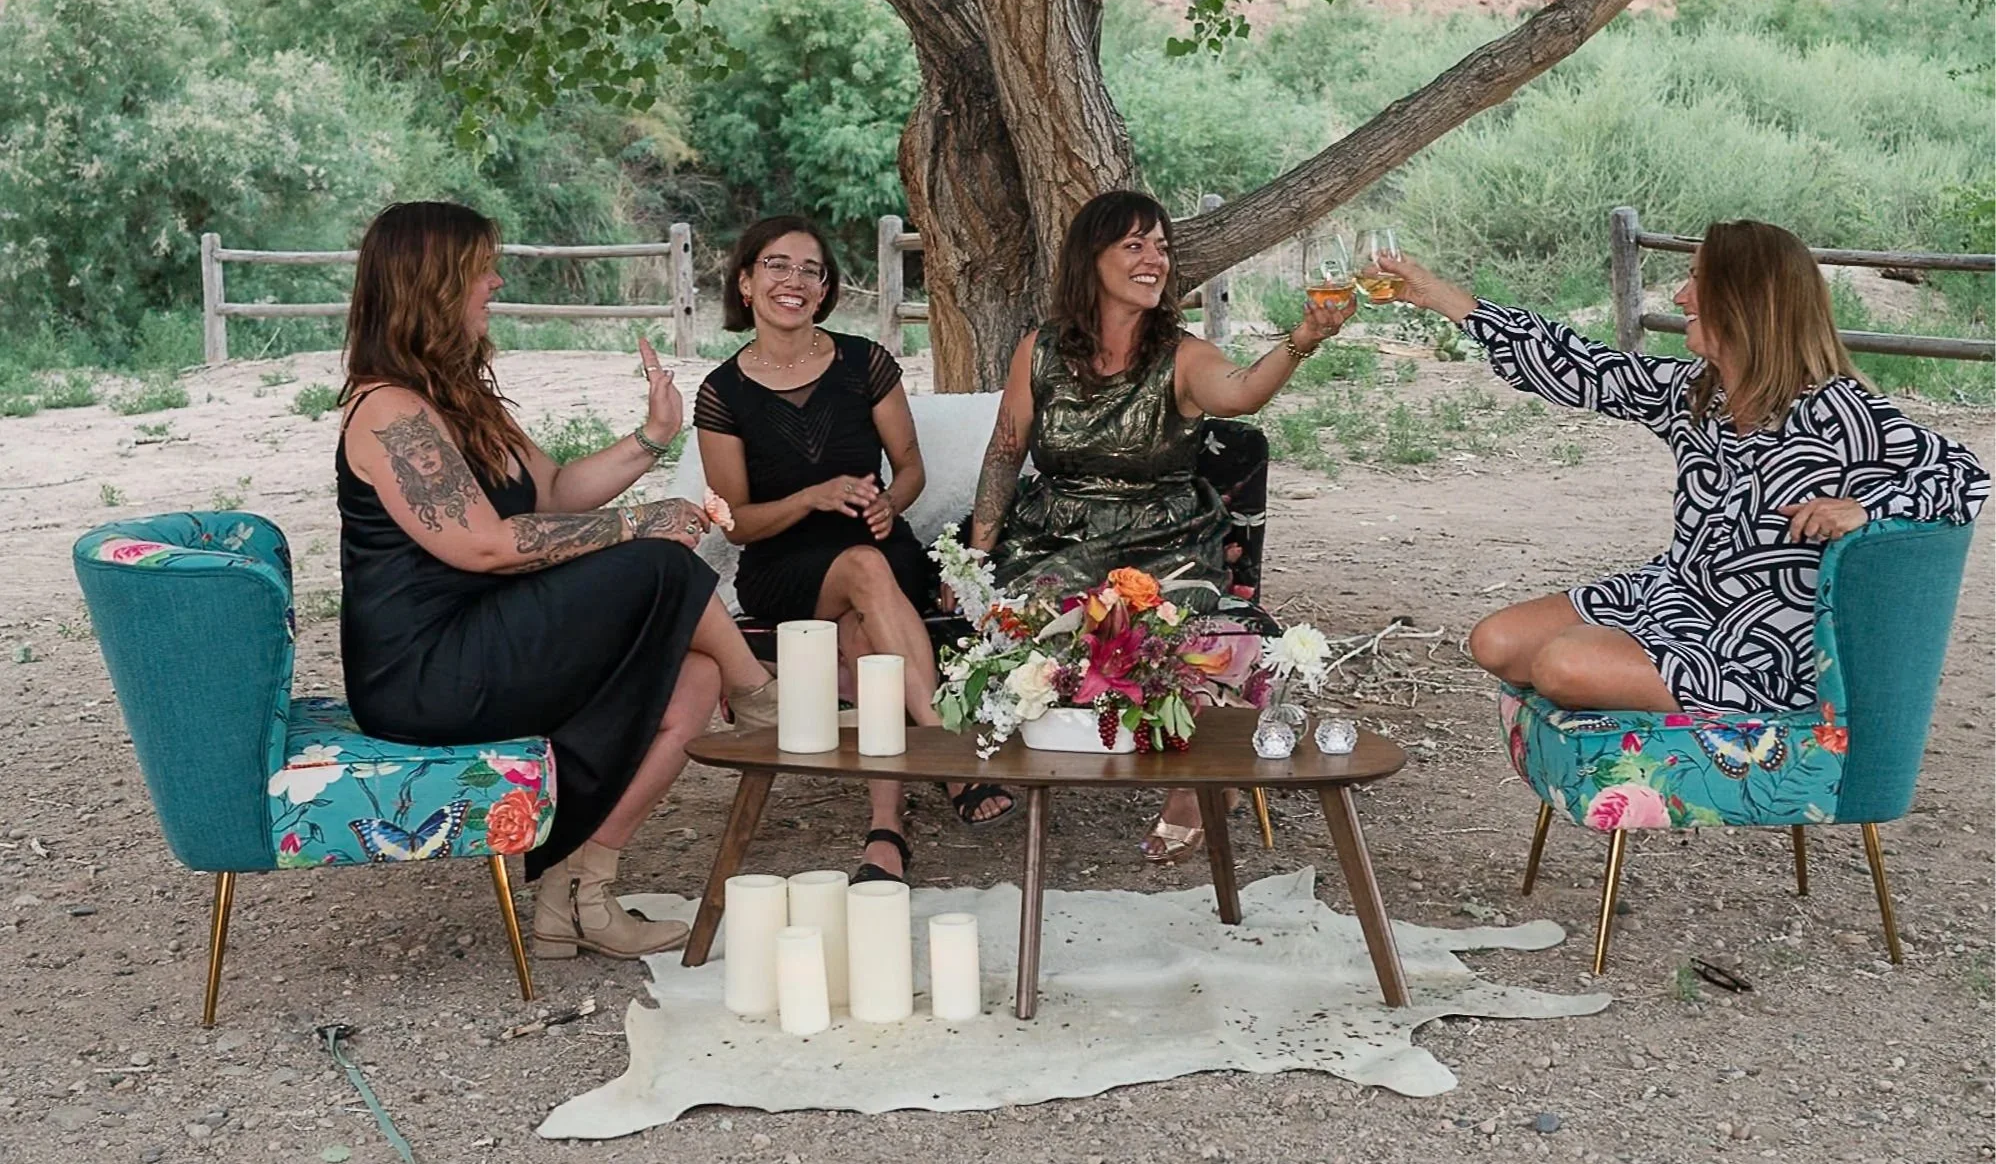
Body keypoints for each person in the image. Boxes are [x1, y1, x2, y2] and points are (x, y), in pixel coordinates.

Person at [337, 201, 784, 963]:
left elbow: (554, 492)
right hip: (425, 670)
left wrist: (652, 437)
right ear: (432, 283)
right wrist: (638, 523)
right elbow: (484, 546)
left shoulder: (460, 395)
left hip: (489, 635)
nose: (494, 282)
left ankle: (579, 893)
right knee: (659, 563)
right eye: (481, 269)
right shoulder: (388, 411)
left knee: (691, 679)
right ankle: (767, 702)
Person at [1384, 222, 1989, 715]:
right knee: (1495, 641)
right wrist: (1436, 294)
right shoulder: (1697, 394)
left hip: (1758, 647)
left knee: (1562, 665)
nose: (1680, 296)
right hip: (1673, 596)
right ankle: (1648, 675)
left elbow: (1964, 474)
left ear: (1745, 298)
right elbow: (1578, 367)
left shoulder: (1839, 411)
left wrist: (1865, 508)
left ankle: (1713, 716)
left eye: (1697, 280)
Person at [968, 189, 1349, 863]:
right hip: (1054, 536)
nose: (1154, 261)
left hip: (1162, 544)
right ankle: (1037, 748)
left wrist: (1302, 340)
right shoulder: (1041, 350)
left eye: (1162, 247)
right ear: (1093, 259)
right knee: (1027, 621)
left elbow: (1242, 392)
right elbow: (1005, 452)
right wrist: (975, 553)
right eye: (1134, 246)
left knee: (1169, 627)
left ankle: (1195, 784)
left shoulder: (1180, 354)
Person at [694, 215, 1015, 882]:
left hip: (878, 549)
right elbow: (737, 524)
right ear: (746, 282)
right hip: (782, 567)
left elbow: (910, 470)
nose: (796, 281)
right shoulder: (722, 394)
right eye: (778, 266)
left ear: (826, 289)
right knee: (864, 576)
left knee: (867, 628)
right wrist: (812, 498)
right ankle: (944, 747)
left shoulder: (865, 362)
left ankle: (885, 835)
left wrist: (886, 503)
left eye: (812, 270)